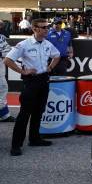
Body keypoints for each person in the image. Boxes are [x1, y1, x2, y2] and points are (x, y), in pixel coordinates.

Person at [4, 19, 60, 156]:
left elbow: (57, 55)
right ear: (35, 29)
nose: (47, 29)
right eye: (44, 27)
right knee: (24, 114)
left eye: (47, 27)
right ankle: (16, 145)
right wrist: (23, 72)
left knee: (39, 112)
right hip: (30, 82)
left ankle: (34, 139)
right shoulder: (24, 44)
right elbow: (7, 60)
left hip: (43, 80)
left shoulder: (47, 44)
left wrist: (50, 67)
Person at [0, 34, 14, 122]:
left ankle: (4, 114)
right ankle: (4, 115)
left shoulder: (0, 37)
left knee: (3, 88)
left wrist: (1, 53)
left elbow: (8, 50)